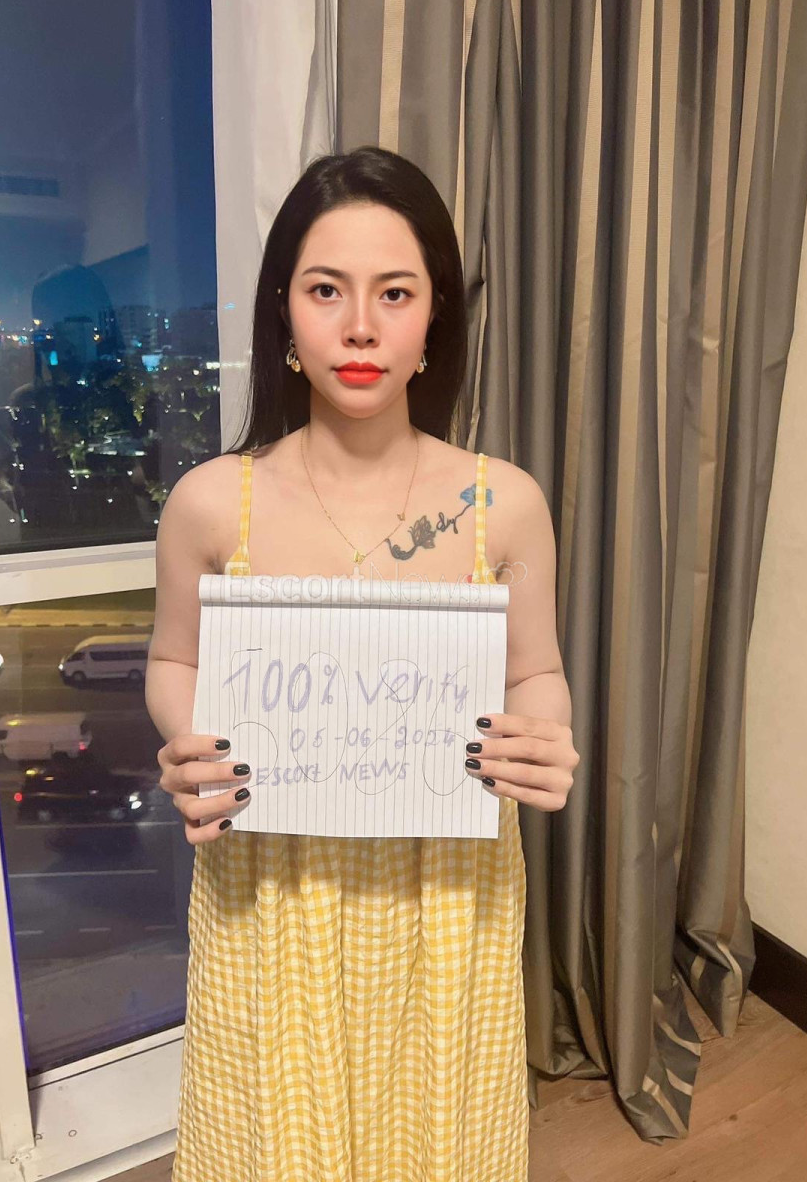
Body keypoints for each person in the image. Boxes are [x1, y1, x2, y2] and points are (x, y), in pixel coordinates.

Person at [145, 145, 579, 1181]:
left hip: (448, 894)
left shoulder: (500, 503)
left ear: (434, 319)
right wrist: (189, 742)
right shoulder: (211, 502)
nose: (359, 326)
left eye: (395, 292)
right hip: (270, 889)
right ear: (283, 314)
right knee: (271, 1145)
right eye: (325, 290)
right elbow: (173, 658)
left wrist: (546, 736)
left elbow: (534, 671)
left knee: (440, 1141)